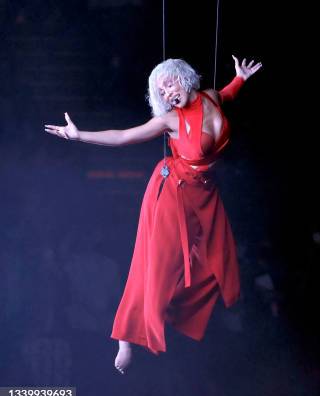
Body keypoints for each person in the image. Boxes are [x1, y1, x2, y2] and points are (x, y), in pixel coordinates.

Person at [45, 56, 262, 374]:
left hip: (204, 194)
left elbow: (227, 94)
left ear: (184, 77)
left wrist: (240, 78)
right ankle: (126, 338)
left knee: (218, 261)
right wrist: (80, 136)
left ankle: (174, 314)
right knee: (155, 262)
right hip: (172, 192)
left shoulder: (212, 97)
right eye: (160, 91)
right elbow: (123, 137)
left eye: (169, 84)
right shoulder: (171, 120)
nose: (166, 93)